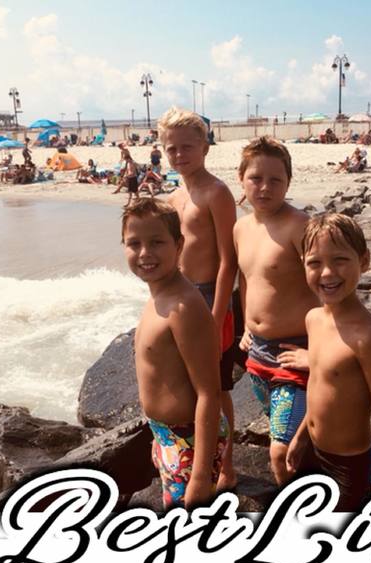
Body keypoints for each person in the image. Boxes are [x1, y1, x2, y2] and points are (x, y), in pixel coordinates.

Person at [287, 213, 371, 511]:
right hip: (313, 452)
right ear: (302, 264)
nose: (327, 273)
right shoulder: (313, 319)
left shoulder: (368, 336)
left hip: (347, 467)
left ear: (364, 261)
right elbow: (319, 387)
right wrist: (301, 437)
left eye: (340, 260)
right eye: (314, 262)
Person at [122, 197, 227, 509]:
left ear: (179, 245)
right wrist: (158, 436)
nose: (145, 253)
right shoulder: (158, 296)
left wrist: (200, 475)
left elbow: (210, 393)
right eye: (134, 243)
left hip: (190, 439)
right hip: (166, 433)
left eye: (157, 242)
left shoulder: (184, 307)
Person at [160, 106, 238, 491]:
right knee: (188, 384)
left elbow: (228, 261)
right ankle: (193, 456)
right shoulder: (173, 198)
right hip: (180, 296)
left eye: (187, 147)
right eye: (171, 148)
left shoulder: (216, 193)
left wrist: (218, 314)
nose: (179, 155)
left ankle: (227, 466)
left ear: (205, 147)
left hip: (210, 297)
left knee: (217, 388)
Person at [234, 136, 319, 485]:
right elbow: (247, 279)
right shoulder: (241, 228)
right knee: (292, 435)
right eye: (256, 178)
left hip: (293, 352)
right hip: (257, 353)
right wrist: (246, 327)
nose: (265, 187)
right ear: (241, 179)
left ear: (288, 182)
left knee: (280, 451)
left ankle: (290, 506)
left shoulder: (300, 226)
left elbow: (329, 285)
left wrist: (318, 352)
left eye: (275, 180)